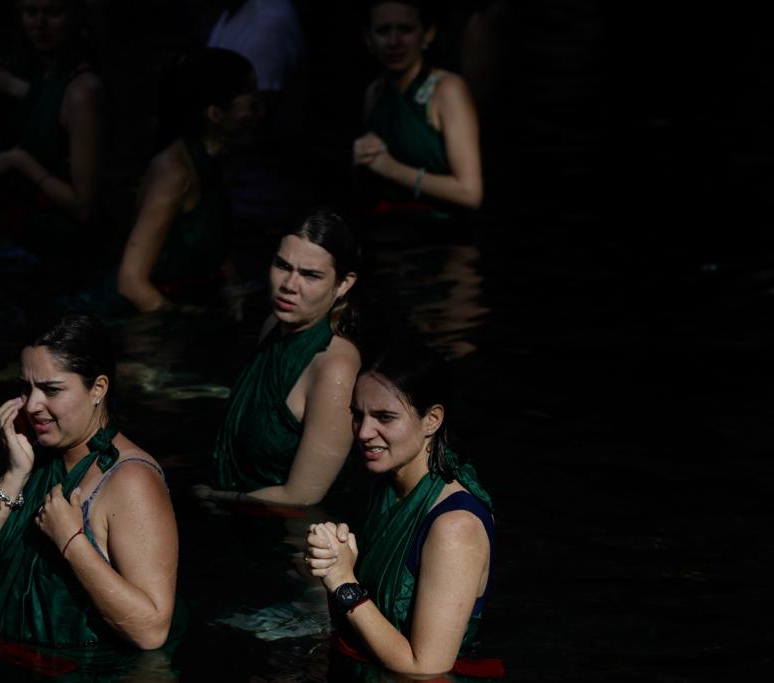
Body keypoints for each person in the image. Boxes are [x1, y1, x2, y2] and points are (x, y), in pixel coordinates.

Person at [0, 314, 181, 653]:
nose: (33, 405)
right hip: (15, 662)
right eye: (26, 388)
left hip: (89, 672)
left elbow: (152, 629)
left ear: (98, 388)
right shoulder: (36, 459)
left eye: (51, 390)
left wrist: (72, 542)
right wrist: (15, 473)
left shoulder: (131, 480)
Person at [305, 338, 499, 680]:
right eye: (357, 414)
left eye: (385, 417)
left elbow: (427, 668)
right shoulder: (387, 483)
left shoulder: (455, 527)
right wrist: (337, 555)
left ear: (432, 419)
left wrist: (343, 582)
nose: (364, 432)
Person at [205, 208, 361, 506]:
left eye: (310, 275)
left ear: (343, 284)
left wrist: (213, 500)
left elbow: (301, 497)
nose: (289, 285)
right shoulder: (273, 326)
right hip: (239, 509)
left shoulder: (334, 367)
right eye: (282, 265)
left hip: (288, 537)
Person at [115, 48, 258, 313]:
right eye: (250, 97)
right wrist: (185, 321)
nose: (257, 107)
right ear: (215, 113)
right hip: (151, 318)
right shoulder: (174, 173)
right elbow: (131, 282)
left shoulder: (214, 163)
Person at [0, 0, 103, 256]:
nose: (40, 24)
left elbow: (83, 206)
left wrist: (22, 162)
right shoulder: (46, 75)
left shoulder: (82, 92)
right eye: (31, 12)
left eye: (54, 12)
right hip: (30, 237)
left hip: (68, 250)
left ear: (75, 16)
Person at [354, 0, 483, 217]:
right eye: (383, 30)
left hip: (441, 236)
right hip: (381, 232)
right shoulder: (374, 92)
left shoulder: (447, 90)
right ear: (368, 38)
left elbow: (470, 193)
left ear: (428, 34)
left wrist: (390, 168)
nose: (394, 41)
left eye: (406, 29)